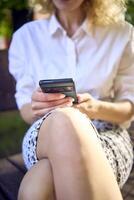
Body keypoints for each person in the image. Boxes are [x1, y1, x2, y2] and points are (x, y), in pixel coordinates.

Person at [9, 0, 134, 199]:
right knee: (65, 119)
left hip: (106, 133)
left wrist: (95, 107)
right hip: (44, 133)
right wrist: (38, 106)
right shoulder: (25, 37)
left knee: (37, 188)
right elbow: (25, 108)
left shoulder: (122, 33)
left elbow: (129, 108)